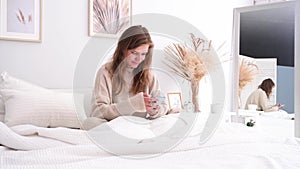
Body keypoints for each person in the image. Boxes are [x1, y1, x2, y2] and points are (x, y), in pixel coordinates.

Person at [82, 25, 170, 130]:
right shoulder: (105, 72)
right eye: (134, 53)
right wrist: (132, 104)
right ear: (123, 49)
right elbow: (98, 111)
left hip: (141, 124)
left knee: (168, 122)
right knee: (90, 123)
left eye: (143, 54)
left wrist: (156, 110)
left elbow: (162, 103)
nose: (139, 59)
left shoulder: (149, 74)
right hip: (113, 124)